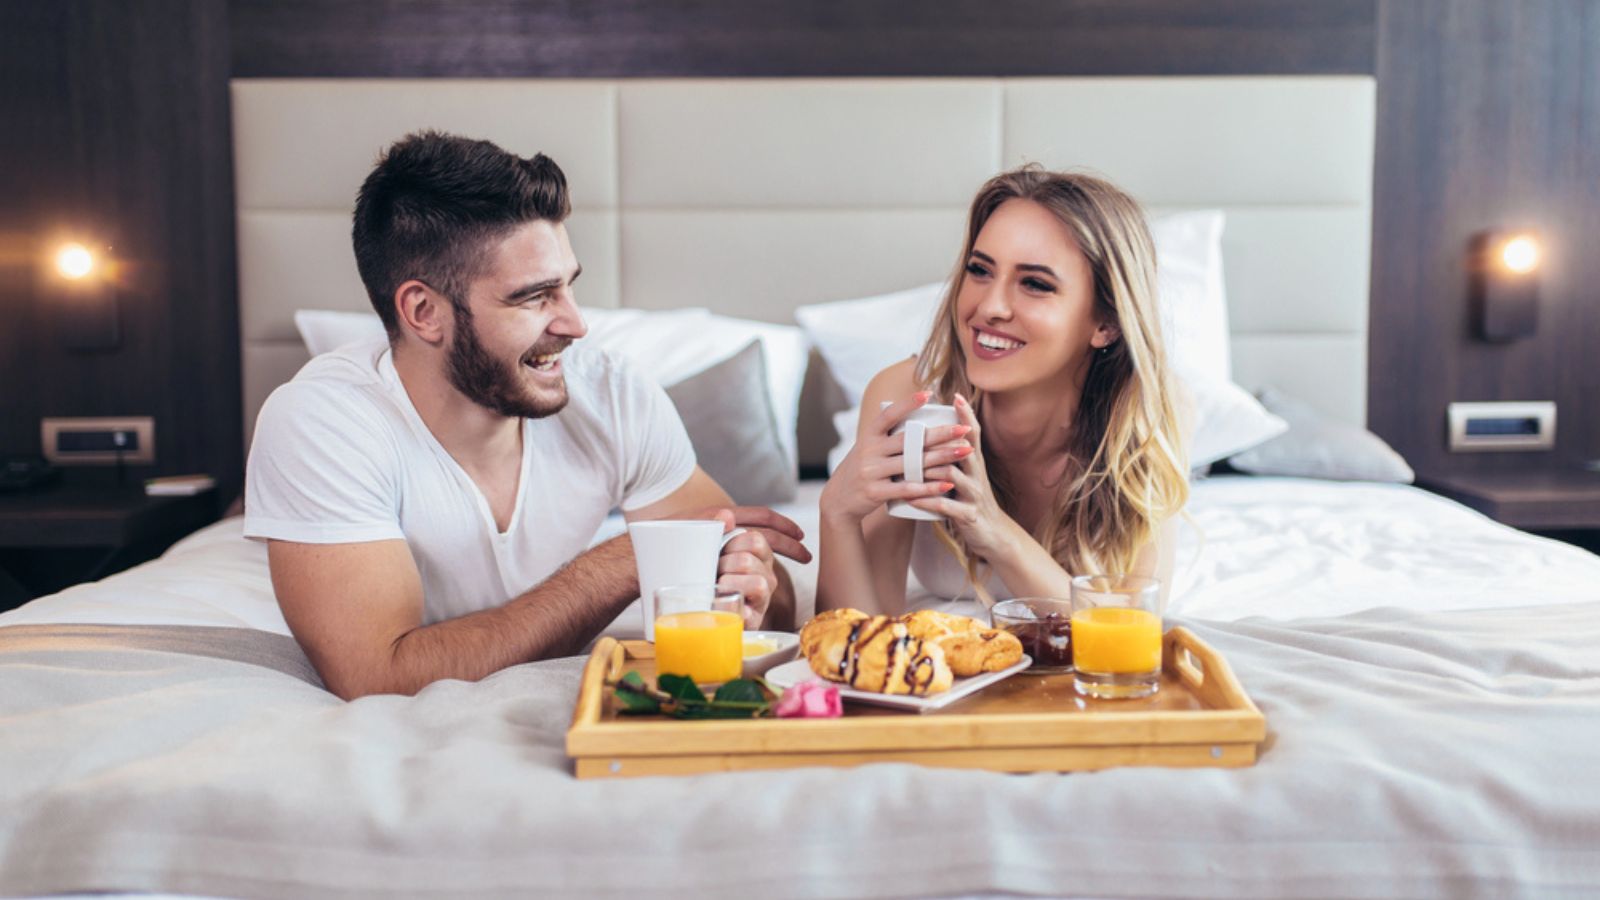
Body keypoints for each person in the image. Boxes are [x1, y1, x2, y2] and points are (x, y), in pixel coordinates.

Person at [244, 131, 809, 700]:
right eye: (535, 297)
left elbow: (777, 605)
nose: (576, 324)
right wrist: (619, 565)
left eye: (569, 287)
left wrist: (750, 587)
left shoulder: (613, 395)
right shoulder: (321, 423)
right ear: (423, 311)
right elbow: (376, 676)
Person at [816, 167, 1189, 615]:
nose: (989, 307)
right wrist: (835, 514)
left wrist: (993, 530)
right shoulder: (910, 399)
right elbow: (864, 631)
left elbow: (1131, 629)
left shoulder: (1149, 413)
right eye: (979, 270)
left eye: (1035, 284)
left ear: (1106, 323)